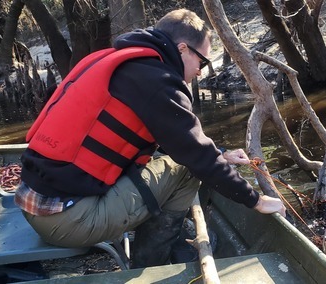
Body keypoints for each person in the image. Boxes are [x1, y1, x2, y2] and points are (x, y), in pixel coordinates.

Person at [14, 8, 286, 268]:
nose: (201, 71)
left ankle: (170, 241)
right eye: (201, 61)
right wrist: (256, 201)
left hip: (33, 204)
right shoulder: (158, 81)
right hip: (67, 221)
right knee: (186, 171)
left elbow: (176, 140)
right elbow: (195, 156)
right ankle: (152, 264)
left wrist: (222, 154)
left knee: (170, 161)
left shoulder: (116, 60)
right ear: (182, 49)